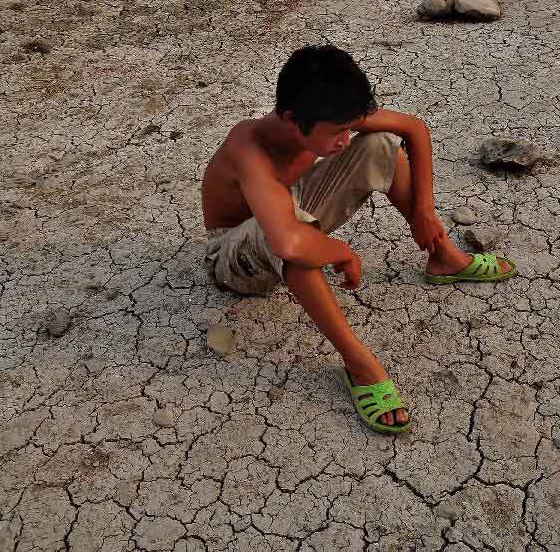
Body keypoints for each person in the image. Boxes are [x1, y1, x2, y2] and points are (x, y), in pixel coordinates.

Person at [200, 45, 517, 434]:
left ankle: (444, 258)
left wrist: (424, 212)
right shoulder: (248, 148)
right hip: (235, 256)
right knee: (295, 233)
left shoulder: (326, 113)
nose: (344, 139)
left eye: (348, 127)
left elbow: (413, 129)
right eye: (336, 132)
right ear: (290, 118)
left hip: (286, 212)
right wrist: (341, 251)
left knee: (382, 145)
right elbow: (288, 243)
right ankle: (360, 365)